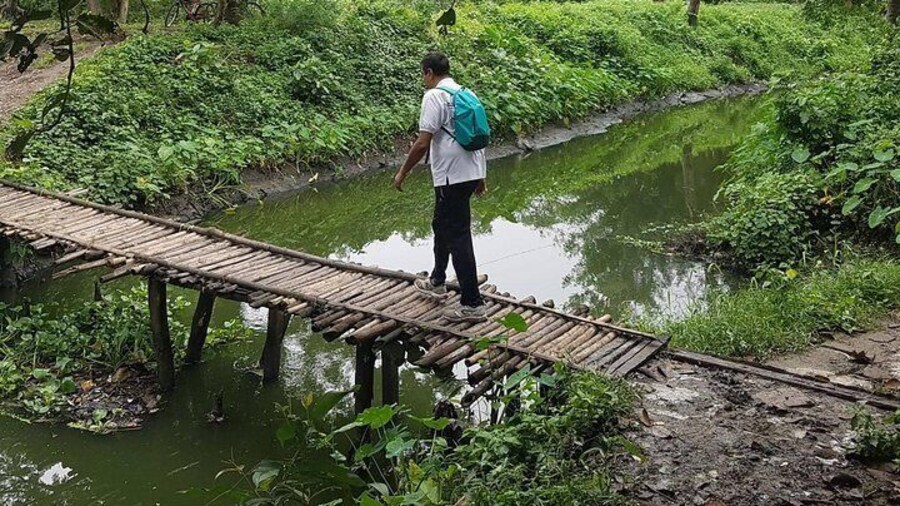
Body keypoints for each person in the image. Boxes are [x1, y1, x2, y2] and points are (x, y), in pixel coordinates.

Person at [392, 52, 487, 322]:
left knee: (458, 236)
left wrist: (402, 172)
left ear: (429, 72)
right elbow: (477, 139)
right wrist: (480, 176)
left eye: (423, 74)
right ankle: (437, 280)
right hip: (468, 172)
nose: (424, 79)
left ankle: (472, 304)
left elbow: (423, 142)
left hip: (451, 176)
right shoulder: (465, 93)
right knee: (441, 224)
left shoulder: (434, 96)